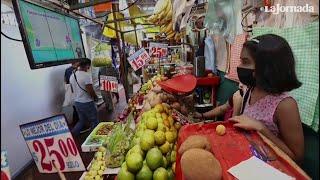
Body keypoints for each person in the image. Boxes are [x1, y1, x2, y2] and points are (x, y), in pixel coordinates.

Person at [228, 34, 304, 163]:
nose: (240, 66)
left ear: (267, 67)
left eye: (245, 62)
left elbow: (297, 158)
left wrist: (261, 128)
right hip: (247, 160)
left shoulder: (285, 105)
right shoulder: (250, 90)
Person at [70, 59, 99, 136]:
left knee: (82, 121)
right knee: (94, 121)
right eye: (89, 66)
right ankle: (93, 138)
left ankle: (72, 134)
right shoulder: (86, 76)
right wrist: (95, 97)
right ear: (87, 65)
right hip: (87, 102)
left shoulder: (73, 75)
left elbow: (72, 89)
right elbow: (90, 90)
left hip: (77, 102)